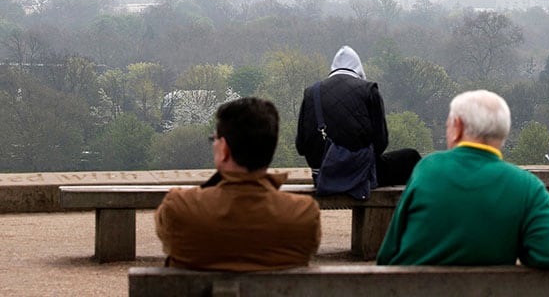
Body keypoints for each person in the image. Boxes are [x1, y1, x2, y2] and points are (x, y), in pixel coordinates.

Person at [376, 90, 549, 270]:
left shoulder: (427, 170)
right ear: (503, 133)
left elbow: (387, 254)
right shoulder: (527, 186)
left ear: (458, 126)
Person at [155, 98, 321, 271]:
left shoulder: (180, 207)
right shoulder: (303, 214)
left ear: (225, 149)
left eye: (215, 139)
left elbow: (167, 239)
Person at [296, 45, 420, 188]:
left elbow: (301, 146)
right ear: (358, 68)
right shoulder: (369, 90)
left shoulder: (312, 93)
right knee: (411, 157)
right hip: (361, 175)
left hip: (322, 177)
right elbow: (381, 143)